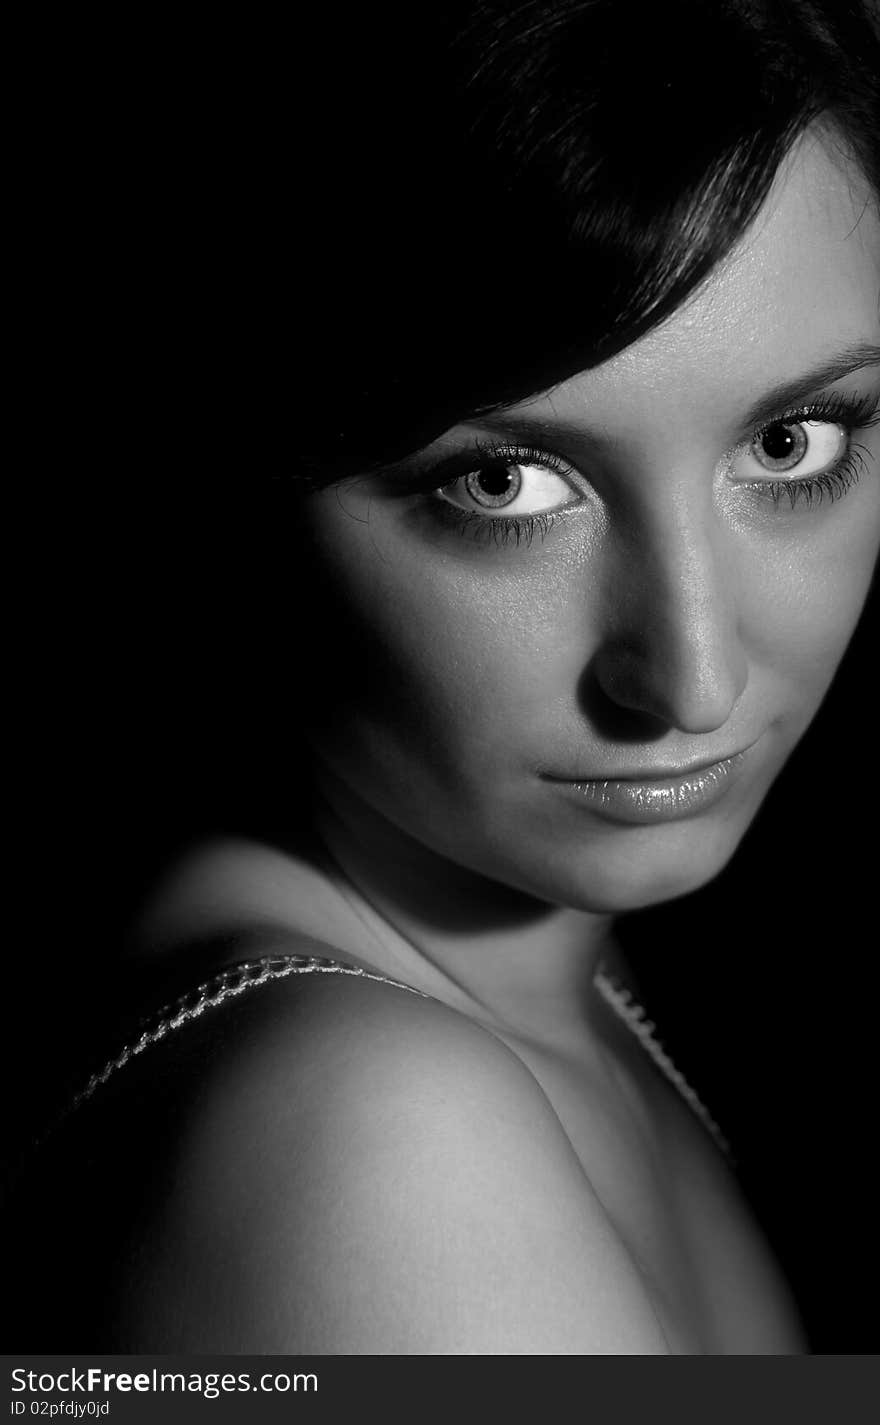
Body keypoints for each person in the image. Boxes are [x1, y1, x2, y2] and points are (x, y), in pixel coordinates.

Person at [6, 0, 879, 1354]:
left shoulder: (535, 965)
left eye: (790, 443)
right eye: (503, 482)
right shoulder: (381, 1135)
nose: (692, 682)